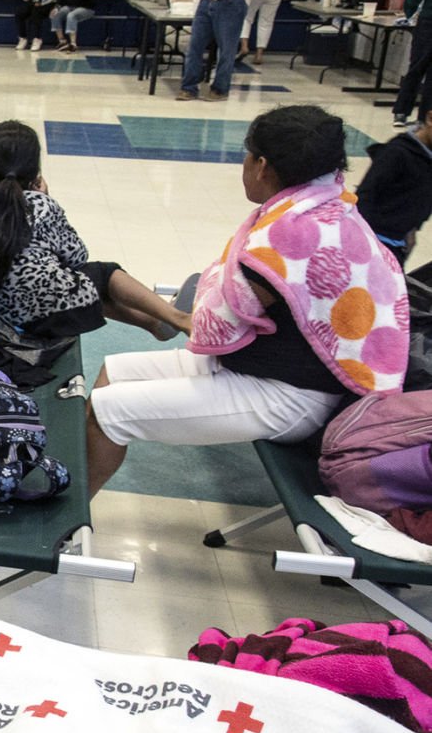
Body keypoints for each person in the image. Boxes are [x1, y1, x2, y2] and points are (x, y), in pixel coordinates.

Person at [86, 106, 409, 495]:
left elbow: (210, 327)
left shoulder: (286, 240)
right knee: (111, 372)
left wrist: (209, 288)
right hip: (275, 367)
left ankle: (65, 527)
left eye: (247, 153)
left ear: (262, 165)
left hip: (295, 396)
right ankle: (76, 491)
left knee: (109, 413)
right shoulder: (330, 205)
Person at [0, 120, 193, 346]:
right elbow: (77, 256)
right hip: (44, 314)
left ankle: (155, 323)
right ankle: (177, 318)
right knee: (103, 274)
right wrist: (46, 198)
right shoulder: (41, 204)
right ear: (33, 168)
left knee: (79, 285)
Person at [356, 103, 432, 265]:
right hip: (375, 241)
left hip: (399, 242)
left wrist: (413, 228)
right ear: (430, 118)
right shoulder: (396, 153)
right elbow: (365, 196)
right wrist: (363, 240)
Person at [390, 0, 432, 128]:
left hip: (428, 23)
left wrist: (409, 13)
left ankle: (401, 112)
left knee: (416, 67)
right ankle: (425, 118)